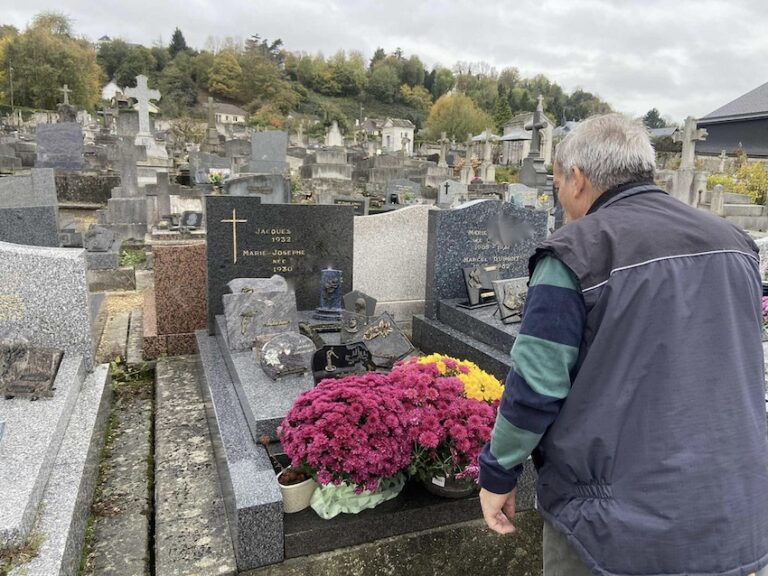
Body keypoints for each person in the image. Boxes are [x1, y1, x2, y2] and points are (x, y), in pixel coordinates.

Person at [478, 113, 768, 576]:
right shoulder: (733, 243)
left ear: (576, 178)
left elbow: (536, 384)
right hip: (730, 513)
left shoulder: (577, 252)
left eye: (556, 185)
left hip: (612, 529)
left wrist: (498, 473)